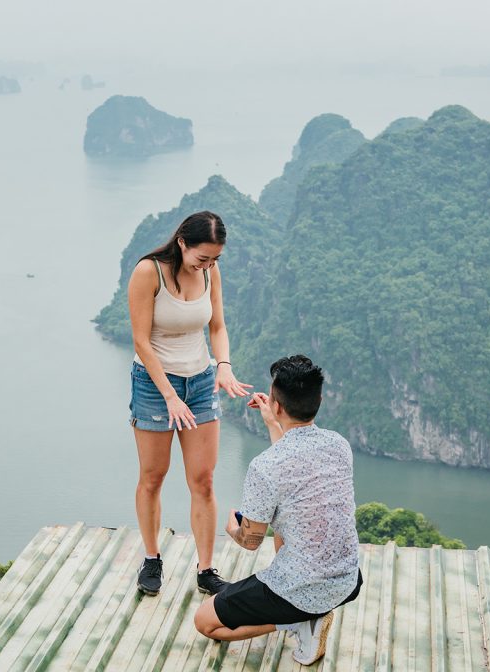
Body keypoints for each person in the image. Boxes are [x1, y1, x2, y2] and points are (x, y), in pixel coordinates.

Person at [193, 355, 362, 667]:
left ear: (277, 403)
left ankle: (299, 620)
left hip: (302, 586)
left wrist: (233, 526)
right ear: (319, 400)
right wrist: (273, 422)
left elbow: (250, 541)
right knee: (288, 523)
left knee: (205, 622)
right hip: (348, 581)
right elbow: (292, 465)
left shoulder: (264, 467)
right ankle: (303, 611)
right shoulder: (340, 445)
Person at [128, 210, 252, 596]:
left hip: (199, 382)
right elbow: (141, 341)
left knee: (203, 479)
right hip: (153, 385)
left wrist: (224, 367)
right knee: (153, 476)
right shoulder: (149, 272)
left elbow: (217, 326)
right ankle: (152, 558)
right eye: (202, 258)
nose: (208, 265)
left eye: (215, 259)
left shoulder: (212, 273)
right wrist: (168, 395)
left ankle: (206, 569)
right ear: (182, 243)